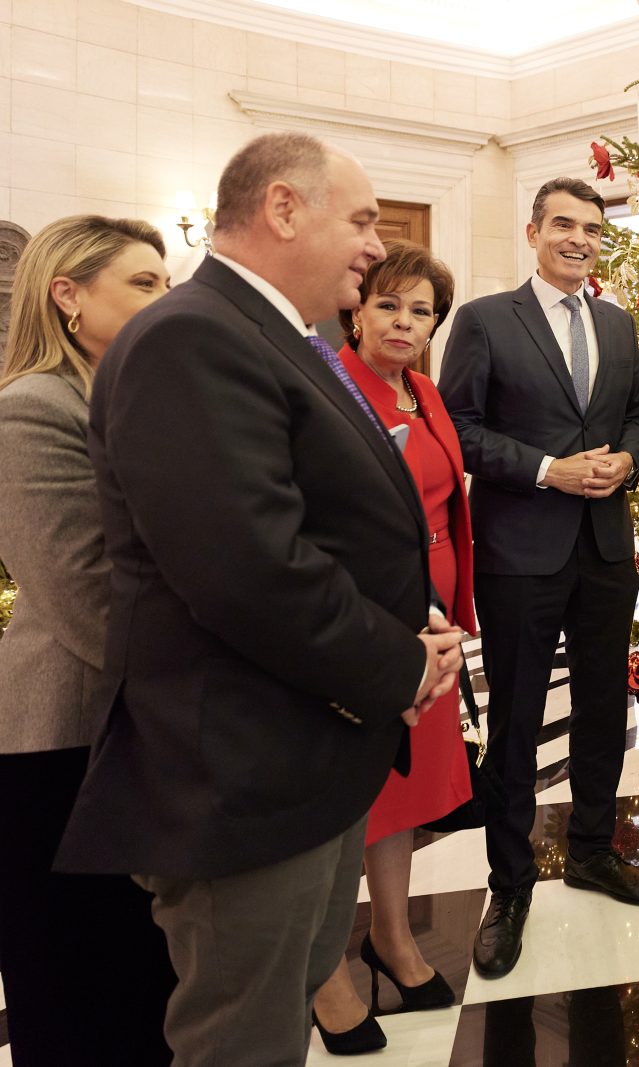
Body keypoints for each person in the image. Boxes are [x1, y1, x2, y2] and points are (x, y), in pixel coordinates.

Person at [54, 132, 466, 1067]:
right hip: (240, 772)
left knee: (284, 1008)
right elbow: (248, 567)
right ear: (284, 208)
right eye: (361, 220)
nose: (375, 244)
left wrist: (409, 623)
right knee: (242, 1040)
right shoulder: (193, 336)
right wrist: (399, 663)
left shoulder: (279, 335)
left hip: (307, 751)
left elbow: (326, 523)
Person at [439, 176, 639, 981]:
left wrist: (628, 457)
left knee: (604, 707)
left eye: (592, 229)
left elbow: (638, 414)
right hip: (520, 550)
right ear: (532, 232)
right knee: (518, 720)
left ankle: (594, 850)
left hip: (604, 547)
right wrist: (546, 469)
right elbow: (458, 427)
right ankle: (510, 885)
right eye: (563, 225)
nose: (578, 239)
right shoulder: (485, 320)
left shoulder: (617, 322)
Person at [0, 215, 176, 1066]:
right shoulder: (31, 408)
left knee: (141, 982)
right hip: (64, 738)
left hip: (131, 725)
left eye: (164, 282)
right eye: (142, 282)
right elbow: (88, 597)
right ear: (66, 294)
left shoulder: (125, 397)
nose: (164, 298)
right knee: (76, 987)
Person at [309, 240, 475, 1054]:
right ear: (356, 309)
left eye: (421, 310)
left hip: (430, 617)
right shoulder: (331, 389)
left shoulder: (422, 389)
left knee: (402, 795)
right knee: (351, 792)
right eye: (388, 304)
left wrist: (448, 613)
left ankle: (393, 934)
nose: (404, 322)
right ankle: (323, 971)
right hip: (368, 619)